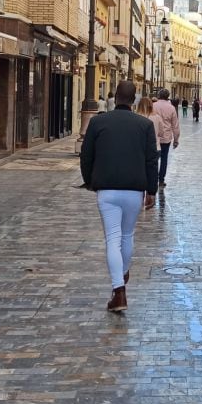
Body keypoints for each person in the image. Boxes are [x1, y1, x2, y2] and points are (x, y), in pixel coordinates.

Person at [80, 81, 158, 314]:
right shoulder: (144, 125)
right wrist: (152, 190)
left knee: (112, 238)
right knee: (127, 235)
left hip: (107, 189)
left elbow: (86, 155)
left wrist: (90, 180)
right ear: (134, 100)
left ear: (115, 98)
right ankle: (121, 276)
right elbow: (151, 159)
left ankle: (119, 289)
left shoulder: (97, 122)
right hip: (134, 190)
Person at [152, 89, 180, 187]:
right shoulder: (171, 108)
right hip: (166, 137)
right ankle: (161, 180)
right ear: (168, 96)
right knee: (164, 159)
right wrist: (176, 140)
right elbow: (175, 125)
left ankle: (153, 179)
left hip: (154, 136)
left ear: (158, 95)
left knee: (153, 159)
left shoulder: (153, 106)